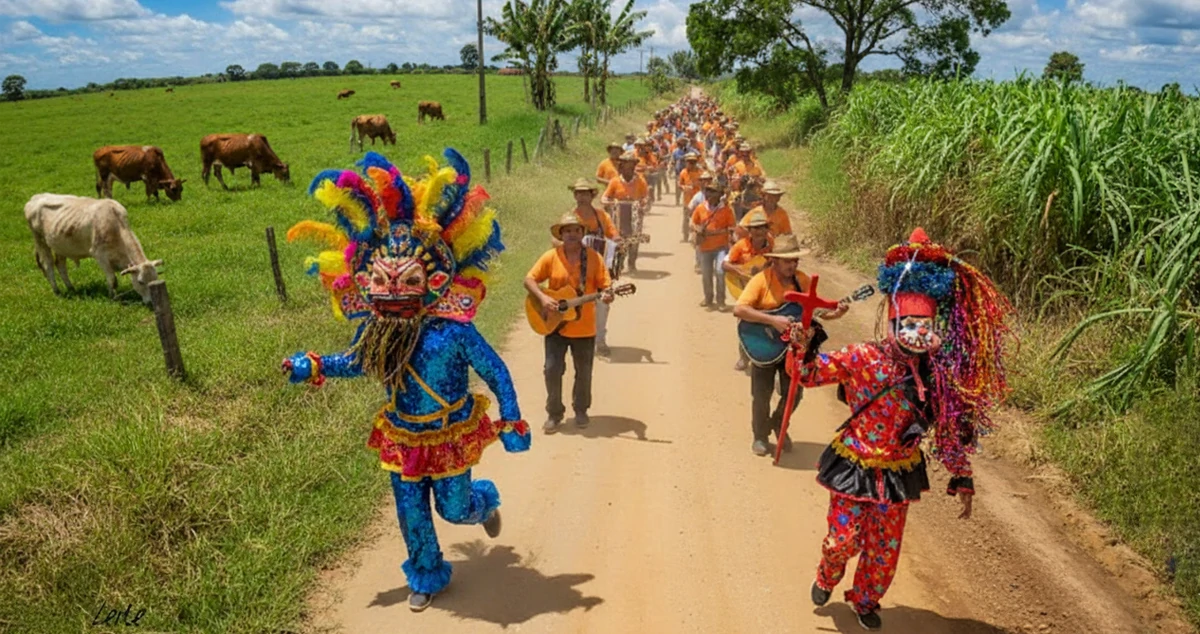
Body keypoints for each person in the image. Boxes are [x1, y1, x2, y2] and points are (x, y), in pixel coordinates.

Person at [282, 150, 531, 612]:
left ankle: (483, 504)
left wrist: (511, 418)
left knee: (453, 510)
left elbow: (495, 371)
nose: (393, 290)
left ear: (435, 278)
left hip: (449, 432)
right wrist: (312, 366)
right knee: (411, 513)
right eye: (382, 279)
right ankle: (427, 572)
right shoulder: (377, 330)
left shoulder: (455, 330)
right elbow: (357, 362)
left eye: (407, 279)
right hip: (402, 435)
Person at [789, 228, 1013, 631]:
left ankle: (865, 599)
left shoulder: (936, 374)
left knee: (884, 548)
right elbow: (806, 374)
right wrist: (802, 345)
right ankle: (827, 572)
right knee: (842, 541)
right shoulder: (861, 356)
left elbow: (947, 428)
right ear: (893, 322)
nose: (917, 332)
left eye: (923, 324)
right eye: (908, 322)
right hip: (854, 463)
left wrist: (962, 475)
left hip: (898, 469)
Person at [732, 233, 847, 456]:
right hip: (763, 344)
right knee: (761, 393)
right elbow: (739, 309)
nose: (792, 265)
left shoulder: (802, 281)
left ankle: (777, 423)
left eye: (795, 261)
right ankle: (760, 436)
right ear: (774, 261)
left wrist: (837, 313)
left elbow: (818, 310)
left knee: (795, 393)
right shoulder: (761, 281)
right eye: (787, 261)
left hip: (793, 349)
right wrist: (773, 320)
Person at [524, 212, 614, 434]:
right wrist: (544, 298)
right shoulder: (551, 257)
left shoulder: (594, 258)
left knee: (584, 371)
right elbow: (529, 279)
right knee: (552, 369)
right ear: (561, 235)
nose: (572, 234)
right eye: (567, 230)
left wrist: (608, 295)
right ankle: (554, 413)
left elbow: (606, 286)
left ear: (582, 234)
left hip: (584, 327)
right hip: (555, 326)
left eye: (576, 230)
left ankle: (581, 409)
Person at [558, 178, 619, 356]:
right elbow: (555, 239)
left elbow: (613, 233)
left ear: (592, 195)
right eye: (579, 193)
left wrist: (617, 242)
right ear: (575, 195)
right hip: (572, 269)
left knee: (602, 304)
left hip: (597, 268)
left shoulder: (602, 216)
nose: (582, 196)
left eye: (585, 193)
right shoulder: (568, 217)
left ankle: (599, 340)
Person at [722, 209, 774, 371]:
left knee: (767, 322)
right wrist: (741, 272)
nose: (760, 232)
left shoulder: (772, 246)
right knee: (745, 322)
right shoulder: (741, 245)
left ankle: (765, 356)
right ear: (750, 231)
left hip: (767, 290)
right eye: (756, 228)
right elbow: (725, 264)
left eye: (763, 228)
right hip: (745, 290)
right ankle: (743, 357)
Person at [601, 152, 651, 273]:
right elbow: (604, 198)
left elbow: (646, 197)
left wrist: (641, 204)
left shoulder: (640, 181)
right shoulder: (614, 181)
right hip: (618, 215)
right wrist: (613, 203)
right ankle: (619, 262)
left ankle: (632, 263)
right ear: (621, 167)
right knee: (618, 239)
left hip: (635, 215)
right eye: (626, 165)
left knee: (634, 239)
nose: (629, 169)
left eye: (631, 165)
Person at [690, 180, 736, 310]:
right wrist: (697, 229)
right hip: (705, 247)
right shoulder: (700, 208)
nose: (710, 195)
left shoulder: (726, 210)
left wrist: (722, 232)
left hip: (721, 246)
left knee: (720, 272)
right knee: (706, 274)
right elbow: (693, 222)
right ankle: (708, 298)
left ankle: (721, 300)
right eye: (708, 191)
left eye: (713, 192)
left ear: (719, 194)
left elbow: (732, 226)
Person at [677, 152, 703, 240]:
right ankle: (685, 235)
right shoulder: (683, 172)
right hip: (687, 200)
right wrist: (684, 187)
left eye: (693, 162)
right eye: (689, 162)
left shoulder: (700, 172)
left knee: (699, 218)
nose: (691, 164)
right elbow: (679, 184)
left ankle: (698, 235)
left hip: (699, 200)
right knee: (686, 218)